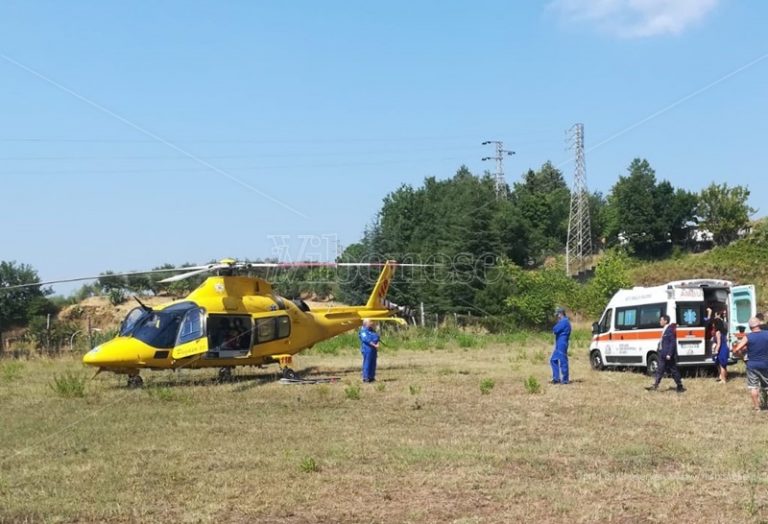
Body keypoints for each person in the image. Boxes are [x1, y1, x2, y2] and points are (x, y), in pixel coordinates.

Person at [732, 317, 768, 411]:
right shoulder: (767, 334)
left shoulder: (747, 337)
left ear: (750, 327)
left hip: (752, 365)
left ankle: (757, 408)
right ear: (759, 324)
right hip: (766, 364)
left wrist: (741, 356)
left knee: (753, 387)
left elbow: (736, 350)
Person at [646, 314, 685, 393]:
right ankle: (655, 385)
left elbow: (672, 343)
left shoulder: (670, 329)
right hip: (662, 354)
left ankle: (680, 385)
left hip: (668, 355)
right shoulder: (665, 329)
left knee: (673, 370)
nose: (660, 321)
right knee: (660, 370)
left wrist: (669, 354)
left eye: (661, 320)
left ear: (665, 321)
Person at [550, 307, 571, 384]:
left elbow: (555, 329)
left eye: (557, 314)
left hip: (562, 343)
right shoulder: (563, 321)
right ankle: (556, 378)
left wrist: (555, 328)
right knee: (553, 360)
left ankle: (565, 380)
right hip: (559, 343)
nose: (557, 316)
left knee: (563, 360)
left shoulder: (564, 322)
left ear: (560, 314)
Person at [712, 309, 730, 383]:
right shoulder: (723, 331)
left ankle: (723, 379)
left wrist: (715, 351)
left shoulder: (717, 333)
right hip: (725, 348)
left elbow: (718, 343)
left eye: (714, 324)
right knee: (724, 365)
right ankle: (723, 377)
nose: (713, 325)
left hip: (721, 349)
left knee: (721, 365)